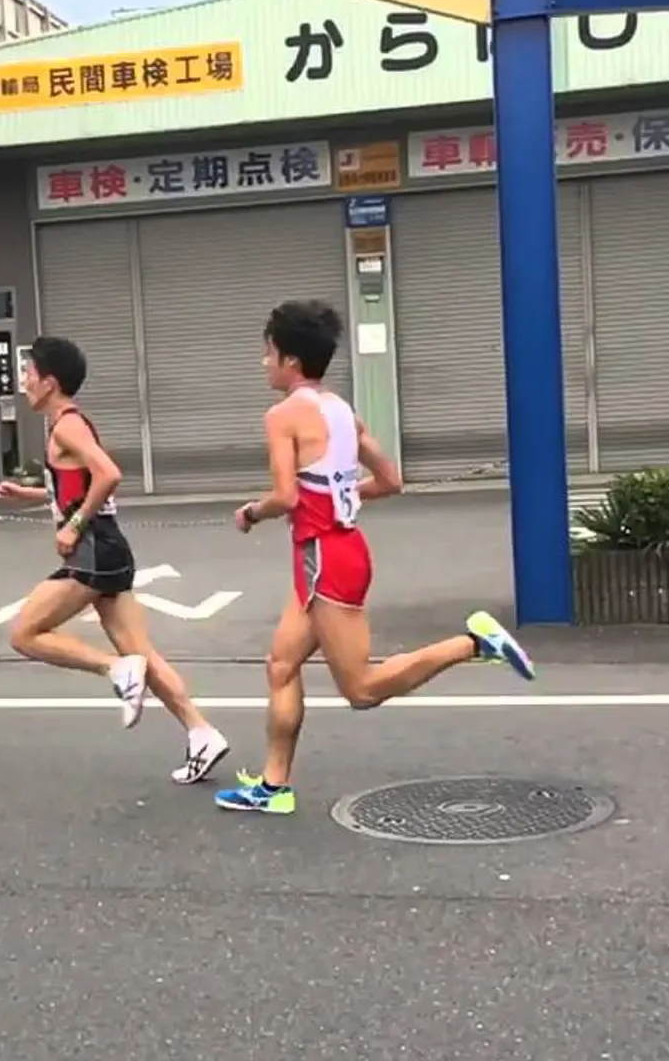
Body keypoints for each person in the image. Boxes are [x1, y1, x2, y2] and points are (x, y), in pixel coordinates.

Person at [215, 300, 534, 816]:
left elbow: (287, 497)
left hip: (325, 559)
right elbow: (391, 481)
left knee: (361, 690)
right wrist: (341, 493)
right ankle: (274, 788)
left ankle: (473, 644)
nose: (263, 362)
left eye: (268, 352)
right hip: (336, 551)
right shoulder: (342, 410)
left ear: (290, 360)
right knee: (281, 664)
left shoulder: (282, 416)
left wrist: (251, 512)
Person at [0, 335, 231, 784]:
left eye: (28, 373)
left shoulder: (67, 426)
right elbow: (77, 488)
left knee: (24, 633)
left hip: (95, 549)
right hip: (107, 548)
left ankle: (114, 670)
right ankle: (202, 734)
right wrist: (28, 494)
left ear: (49, 382)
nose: (23, 382)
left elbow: (109, 475)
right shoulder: (63, 425)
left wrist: (73, 526)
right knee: (143, 653)